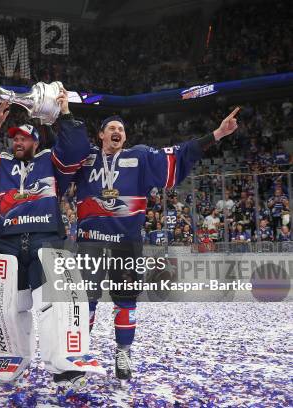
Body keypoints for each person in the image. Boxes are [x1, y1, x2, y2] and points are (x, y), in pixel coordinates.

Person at [73, 107, 240, 382]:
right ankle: (77, 353)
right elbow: (60, 155)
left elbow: (181, 152)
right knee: (84, 303)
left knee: (126, 302)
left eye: (121, 129)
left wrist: (219, 133)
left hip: (125, 245)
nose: (117, 131)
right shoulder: (84, 158)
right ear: (101, 134)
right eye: (111, 128)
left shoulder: (139, 156)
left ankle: (123, 352)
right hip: (90, 243)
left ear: (125, 137)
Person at [0, 92, 93, 388]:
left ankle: (64, 364)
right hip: (7, 245)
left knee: (55, 304)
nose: (17, 143)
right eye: (14, 139)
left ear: (35, 142)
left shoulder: (52, 161)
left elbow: (78, 147)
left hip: (47, 241)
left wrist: (65, 114)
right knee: (6, 307)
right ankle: (11, 358)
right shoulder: (0, 165)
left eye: (23, 138)